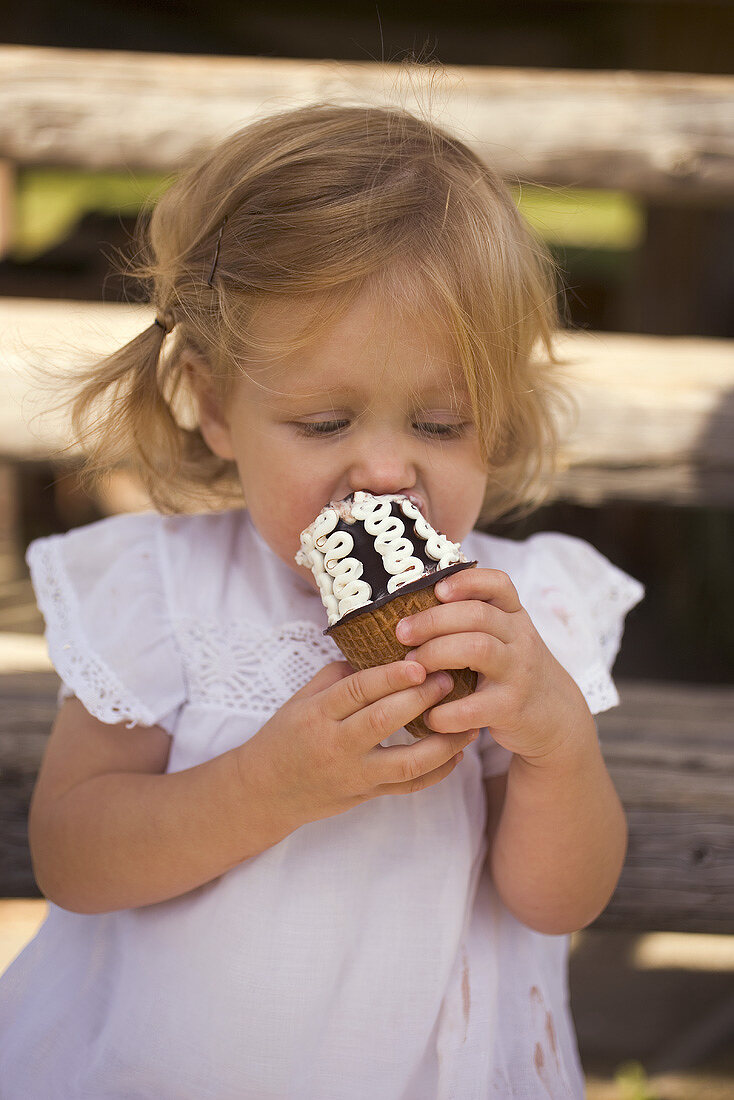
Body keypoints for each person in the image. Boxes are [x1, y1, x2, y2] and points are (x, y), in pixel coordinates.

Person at [0, 100, 644, 1099]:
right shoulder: (164, 591)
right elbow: (74, 856)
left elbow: (558, 896)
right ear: (215, 405)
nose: (384, 469)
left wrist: (555, 740)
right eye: (322, 420)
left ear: (498, 415)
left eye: (438, 422)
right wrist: (264, 786)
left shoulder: (523, 610)